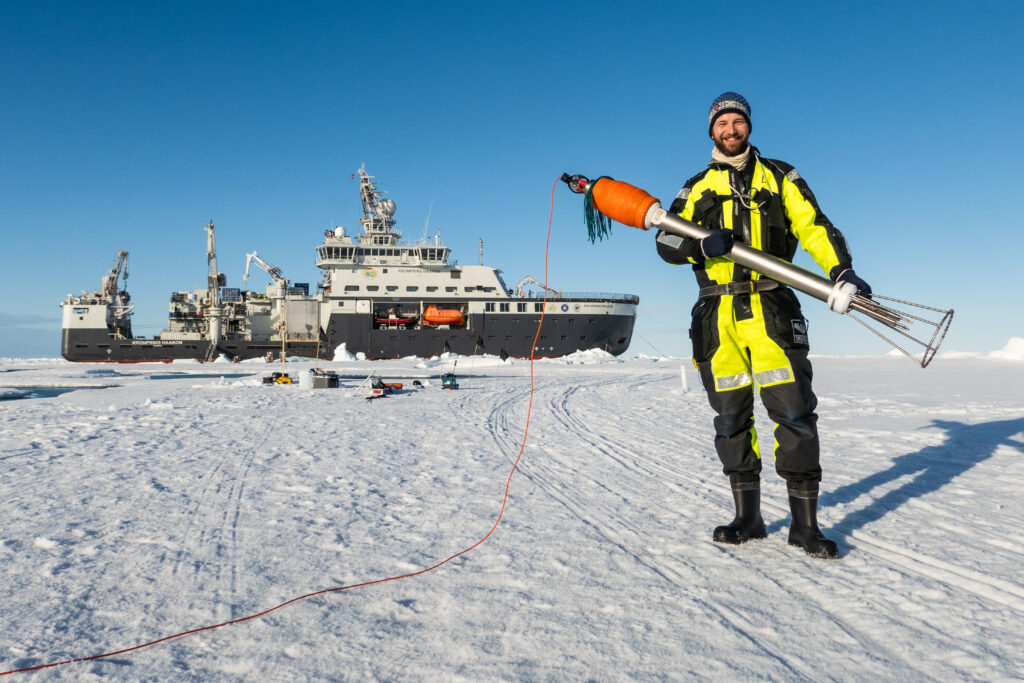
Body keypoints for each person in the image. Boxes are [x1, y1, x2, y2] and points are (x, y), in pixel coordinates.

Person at [655, 92, 871, 559]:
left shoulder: (780, 175)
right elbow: (667, 241)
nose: (730, 130)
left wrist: (842, 271)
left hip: (772, 309)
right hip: (718, 317)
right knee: (731, 419)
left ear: (748, 127)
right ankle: (747, 517)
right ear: (711, 131)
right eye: (722, 124)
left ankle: (804, 526)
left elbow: (813, 226)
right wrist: (700, 247)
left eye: (738, 122)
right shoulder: (696, 186)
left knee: (794, 414)